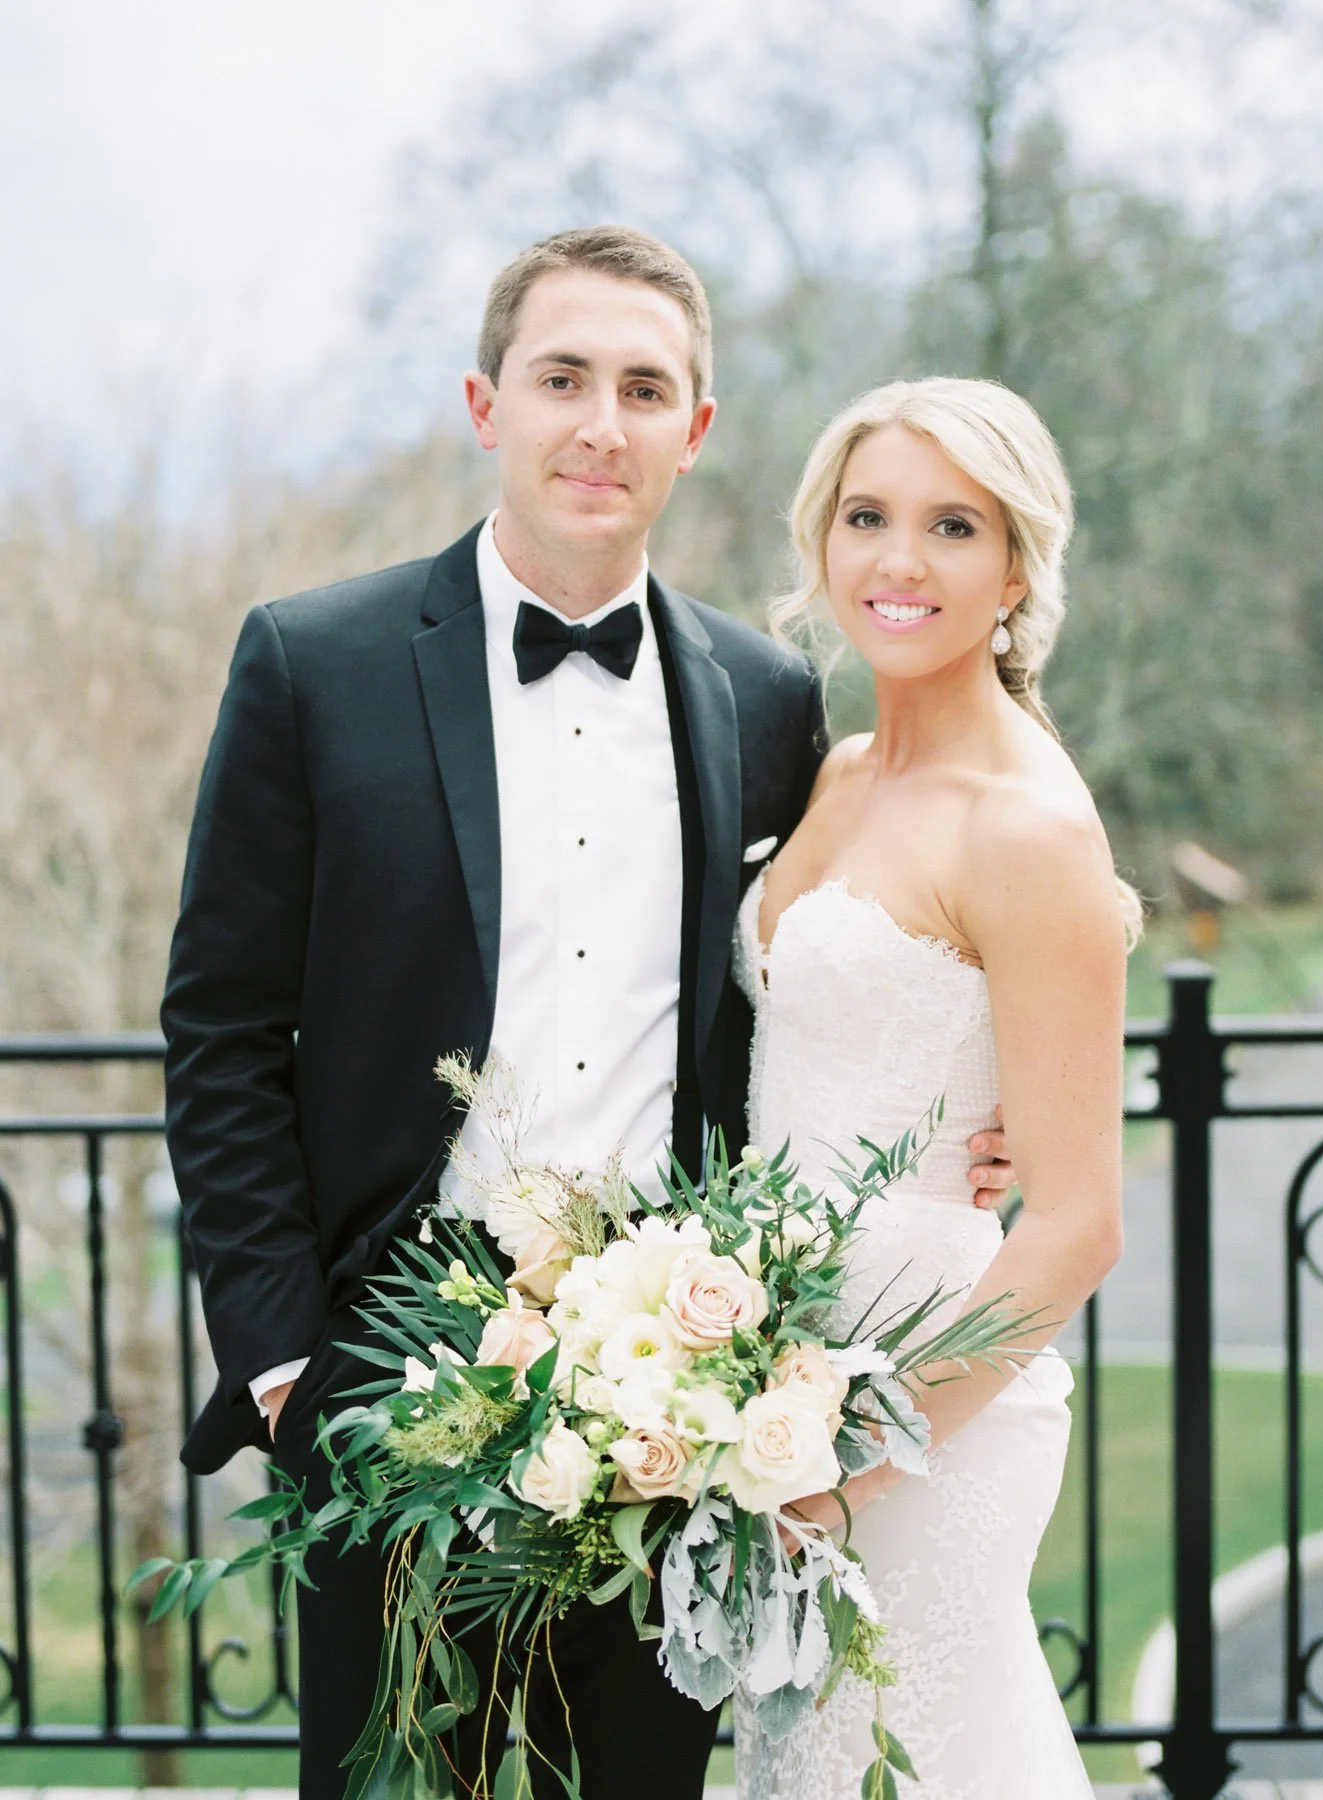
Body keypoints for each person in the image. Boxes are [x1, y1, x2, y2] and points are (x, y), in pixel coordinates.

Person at [161, 230, 1015, 1800]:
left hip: (671, 1412)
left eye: (643, 389)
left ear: (694, 432)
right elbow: (220, 1029)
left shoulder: (765, 701)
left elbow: (819, 972)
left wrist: (981, 1100)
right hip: (380, 1386)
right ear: (486, 403)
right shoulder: (311, 662)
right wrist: (285, 1365)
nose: (599, 424)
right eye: (563, 379)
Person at [734, 377, 1134, 1800]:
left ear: (1015, 566)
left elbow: (1077, 1224)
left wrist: (844, 1465)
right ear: (821, 540)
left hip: (923, 1414)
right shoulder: (835, 774)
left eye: (950, 525)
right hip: (769, 1383)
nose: (898, 562)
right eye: (867, 517)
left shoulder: (1025, 823)